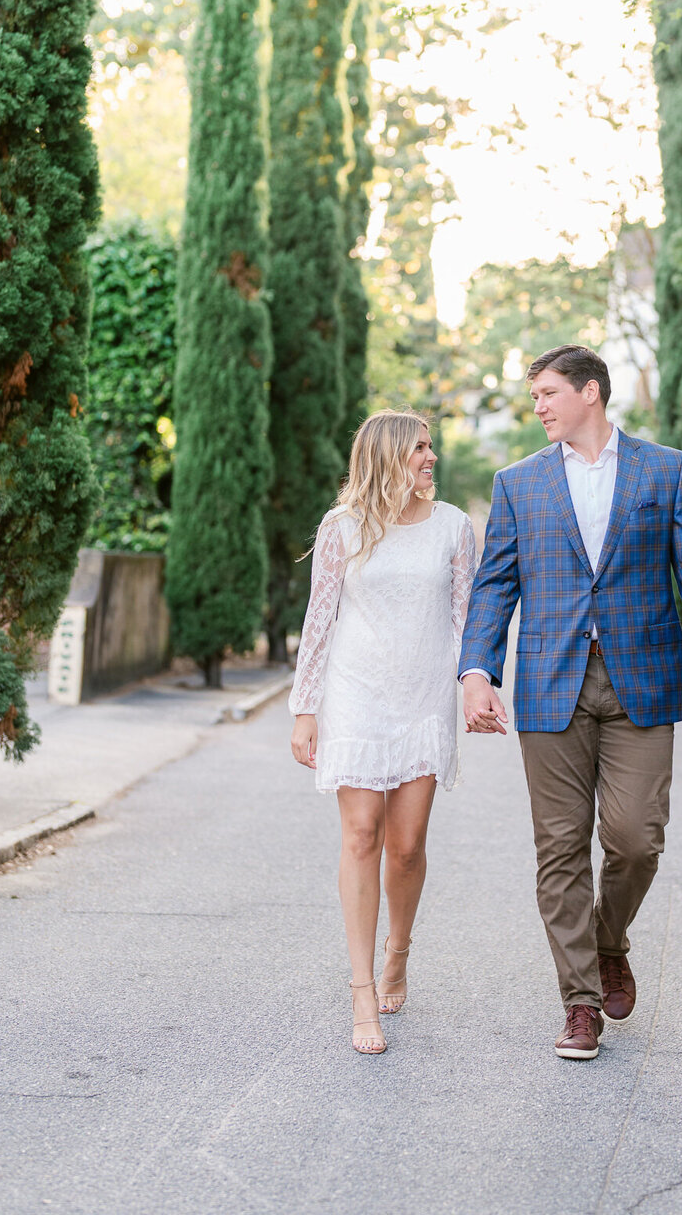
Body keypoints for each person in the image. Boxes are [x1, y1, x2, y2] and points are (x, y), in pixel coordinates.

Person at [459, 344, 682, 1060]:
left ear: (591, 392)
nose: (540, 407)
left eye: (549, 393)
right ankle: (580, 1002)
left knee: (637, 837)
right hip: (551, 684)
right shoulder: (518, 484)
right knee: (559, 851)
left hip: (642, 679)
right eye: (535, 398)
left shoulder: (664, 470)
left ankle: (608, 939)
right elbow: (495, 587)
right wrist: (476, 673)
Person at [289, 410, 476, 1055]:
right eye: (420, 448)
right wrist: (304, 707)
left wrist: (478, 685)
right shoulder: (343, 528)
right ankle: (362, 988)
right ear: (388, 456)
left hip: (423, 695)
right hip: (356, 694)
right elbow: (320, 619)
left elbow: (465, 618)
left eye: (431, 447)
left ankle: (400, 948)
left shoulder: (453, 526)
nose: (431, 457)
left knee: (406, 842)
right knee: (361, 834)